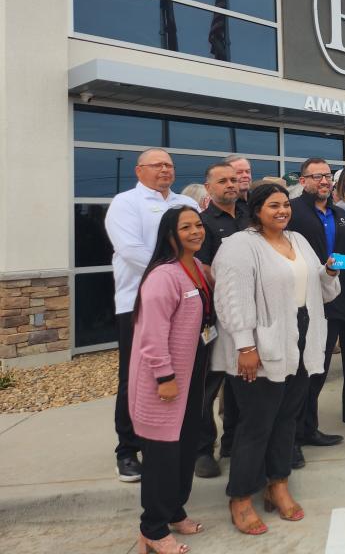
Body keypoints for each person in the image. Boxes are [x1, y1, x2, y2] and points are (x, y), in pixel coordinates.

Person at [212, 183, 341, 533]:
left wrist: (329, 273)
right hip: (260, 342)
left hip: (300, 337)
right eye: (273, 206)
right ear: (256, 210)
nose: (282, 211)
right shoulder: (239, 246)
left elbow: (322, 290)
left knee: (287, 418)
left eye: (285, 204)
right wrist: (245, 346)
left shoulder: (298, 241)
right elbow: (231, 300)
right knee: (256, 423)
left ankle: (277, 485)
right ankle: (240, 497)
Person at [104, 147, 200, 483]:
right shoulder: (125, 203)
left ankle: (171, 441)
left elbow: (195, 250)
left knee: (182, 374)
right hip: (139, 302)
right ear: (139, 170)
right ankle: (128, 450)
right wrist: (173, 274)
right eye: (157, 165)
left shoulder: (183, 205)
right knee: (136, 377)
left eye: (169, 165)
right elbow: (130, 250)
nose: (164, 170)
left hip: (186, 304)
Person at [129, 206, 210, 554]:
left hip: (192, 375)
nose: (196, 231)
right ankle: (153, 527)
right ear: (169, 234)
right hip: (164, 382)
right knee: (162, 454)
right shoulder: (164, 275)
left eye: (198, 225)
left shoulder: (195, 269)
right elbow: (151, 333)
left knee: (185, 447)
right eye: (186, 227)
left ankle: (175, 510)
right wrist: (164, 376)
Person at [288, 158, 345, 471]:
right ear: (303, 180)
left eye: (328, 176)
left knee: (318, 369)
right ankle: (289, 440)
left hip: (335, 300)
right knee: (299, 372)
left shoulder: (340, 214)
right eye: (317, 176)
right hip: (303, 302)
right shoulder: (292, 211)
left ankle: (308, 428)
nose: (324, 181)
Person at [194, 162, 248, 479]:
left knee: (242, 382)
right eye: (223, 181)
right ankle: (203, 449)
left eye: (234, 179)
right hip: (214, 318)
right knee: (208, 386)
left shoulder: (248, 217)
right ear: (209, 187)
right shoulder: (202, 223)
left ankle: (232, 441)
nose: (230, 184)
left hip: (247, 316)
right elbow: (203, 270)